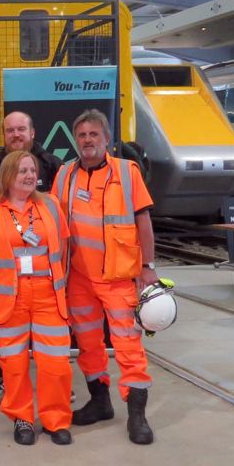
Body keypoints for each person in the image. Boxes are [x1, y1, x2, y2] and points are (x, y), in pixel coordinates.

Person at [51, 109, 158, 445]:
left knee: (128, 345)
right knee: (87, 344)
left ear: (107, 139)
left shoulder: (127, 172)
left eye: (93, 134)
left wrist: (148, 266)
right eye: (82, 135)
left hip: (118, 277)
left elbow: (143, 221)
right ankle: (100, 402)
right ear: (75, 140)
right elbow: (54, 222)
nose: (87, 140)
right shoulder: (64, 174)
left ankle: (137, 416)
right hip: (78, 279)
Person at [0, 151, 73, 446]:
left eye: (32, 170)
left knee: (56, 363)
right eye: (22, 171)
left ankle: (55, 421)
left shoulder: (51, 205)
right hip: (8, 300)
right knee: (13, 365)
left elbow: (63, 247)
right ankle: (22, 418)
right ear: (7, 175)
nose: (29, 176)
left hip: (48, 296)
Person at [0, 110, 64, 398]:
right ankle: (2, 376)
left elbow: (62, 234)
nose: (15, 135)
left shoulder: (52, 165)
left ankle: (53, 385)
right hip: (8, 282)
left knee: (50, 344)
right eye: (10, 130)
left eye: (21, 129)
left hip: (44, 282)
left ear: (32, 133)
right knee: (8, 340)